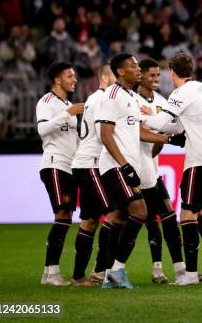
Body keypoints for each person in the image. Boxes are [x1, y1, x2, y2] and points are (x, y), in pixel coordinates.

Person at [143, 52, 202, 285]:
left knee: (187, 215)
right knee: (197, 213)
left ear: (171, 72)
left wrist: (140, 118)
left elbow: (161, 125)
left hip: (199, 160)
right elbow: (179, 126)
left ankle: (189, 274)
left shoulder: (181, 93)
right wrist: (158, 119)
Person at [97, 53, 171, 289]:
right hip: (116, 166)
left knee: (119, 217)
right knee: (140, 211)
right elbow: (105, 135)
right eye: (132, 66)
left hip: (126, 166)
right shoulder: (113, 95)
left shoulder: (130, 96)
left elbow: (138, 131)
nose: (137, 69)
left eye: (138, 65)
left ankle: (107, 274)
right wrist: (124, 165)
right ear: (120, 71)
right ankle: (117, 269)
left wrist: (166, 139)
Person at [134, 58, 185, 284]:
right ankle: (108, 270)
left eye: (158, 75)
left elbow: (164, 132)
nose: (156, 79)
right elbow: (139, 131)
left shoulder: (163, 101)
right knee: (141, 221)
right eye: (152, 75)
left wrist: (159, 139)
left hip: (152, 169)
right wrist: (159, 132)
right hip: (133, 169)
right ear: (141, 76)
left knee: (167, 218)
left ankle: (178, 270)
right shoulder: (131, 100)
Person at [37, 61, 84, 286]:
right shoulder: (47, 102)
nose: (74, 80)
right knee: (62, 215)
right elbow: (42, 129)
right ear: (57, 79)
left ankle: (49, 273)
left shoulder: (67, 104)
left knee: (65, 217)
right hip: (54, 164)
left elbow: (73, 138)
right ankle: (53, 273)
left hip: (69, 166)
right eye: (69, 76)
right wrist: (68, 113)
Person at [70, 63, 116, 286]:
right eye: (116, 77)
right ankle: (100, 271)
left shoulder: (93, 99)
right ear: (105, 79)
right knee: (115, 215)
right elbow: (103, 134)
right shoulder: (102, 100)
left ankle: (80, 276)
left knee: (89, 221)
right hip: (93, 165)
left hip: (85, 163)